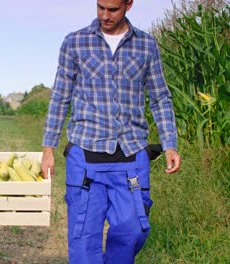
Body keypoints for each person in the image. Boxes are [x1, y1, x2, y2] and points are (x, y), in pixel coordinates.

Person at [41, 0, 181, 263]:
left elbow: (160, 97)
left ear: (128, 4)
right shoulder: (75, 42)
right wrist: (48, 148)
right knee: (83, 243)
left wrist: (169, 143)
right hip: (85, 159)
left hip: (131, 159)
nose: (105, 15)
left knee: (133, 230)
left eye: (113, 9)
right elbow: (60, 97)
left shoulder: (146, 45)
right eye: (100, 7)